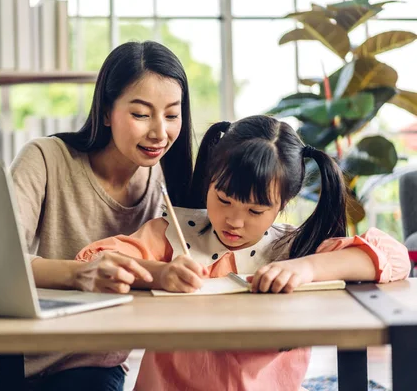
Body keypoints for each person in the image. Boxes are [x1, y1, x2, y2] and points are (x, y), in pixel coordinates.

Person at [76, 115, 411, 391]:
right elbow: (92, 260)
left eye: (256, 211)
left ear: (283, 204)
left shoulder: (292, 249)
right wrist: (158, 271)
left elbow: (394, 257)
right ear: (209, 179)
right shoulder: (171, 234)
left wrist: (307, 269)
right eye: (223, 200)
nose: (234, 221)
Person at [0, 40, 194, 391]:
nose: (159, 132)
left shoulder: (169, 184)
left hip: (89, 361)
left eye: (171, 114)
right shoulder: (44, 158)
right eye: (140, 113)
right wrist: (80, 274)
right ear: (106, 112)